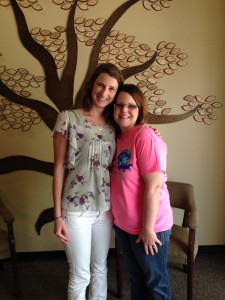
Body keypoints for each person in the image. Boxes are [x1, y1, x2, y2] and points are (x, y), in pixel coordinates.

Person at [52, 63, 124, 300]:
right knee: (81, 274)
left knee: (101, 268)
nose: (105, 93)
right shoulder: (68, 118)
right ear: (92, 84)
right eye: (101, 85)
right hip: (75, 210)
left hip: (105, 209)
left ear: (116, 93)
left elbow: (137, 136)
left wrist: (154, 133)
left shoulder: (116, 124)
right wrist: (57, 215)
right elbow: (59, 168)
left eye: (112, 89)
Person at [110, 84, 173, 300]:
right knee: (137, 280)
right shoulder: (116, 138)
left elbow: (154, 186)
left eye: (131, 106)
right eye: (119, 105)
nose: (124, 110)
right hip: (124, 226)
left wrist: (147, 229)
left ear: (140, 110)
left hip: (148, 227)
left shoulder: (145, 136)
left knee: (156, 284)